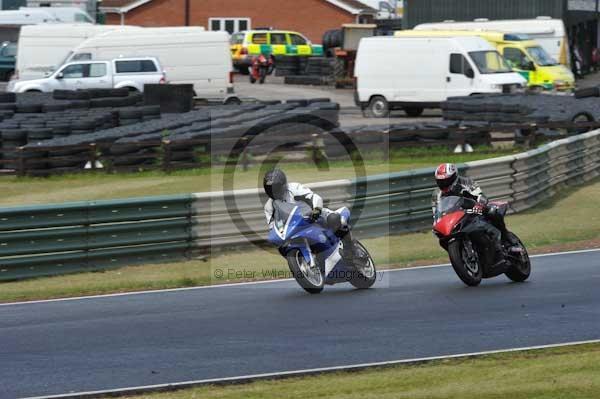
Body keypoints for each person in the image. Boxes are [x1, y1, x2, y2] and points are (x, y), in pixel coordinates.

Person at [263, 168, 359, 262]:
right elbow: (273, 226)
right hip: (294, 229)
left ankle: (349, 249)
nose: (273, 191)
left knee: (335, 219)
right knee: (282, 246)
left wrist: (317, 209)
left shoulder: (294, 188)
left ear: (283, 185)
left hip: (313, 217)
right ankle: (303, 262)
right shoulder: (269, 206)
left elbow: (315, 197)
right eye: (270, 189)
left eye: (275, 187)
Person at [432, 163, 517, 265]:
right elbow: (436, 211)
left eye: (446, 181)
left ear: (454, 177)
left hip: (474, 209)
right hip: (456, 217)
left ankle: (508, 238)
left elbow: (479, 194)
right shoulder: (437, 194)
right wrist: (437, 222)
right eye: (440, 181)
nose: (444, 183)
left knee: (493, 212)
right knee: (442, 237)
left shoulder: (465, 182)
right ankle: (463, 255)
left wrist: (480, 202)